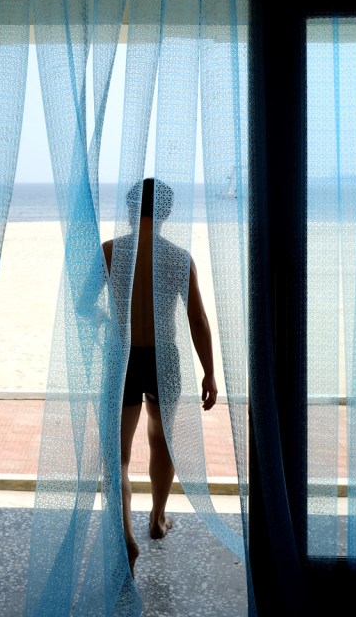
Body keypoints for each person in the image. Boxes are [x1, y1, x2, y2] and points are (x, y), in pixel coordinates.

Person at [101, 177, 218, 579]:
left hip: (124, 356)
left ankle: (127, 536)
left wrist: (107, 320)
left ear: (132, 209)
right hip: (164, 357)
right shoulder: (178, 257)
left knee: (119, 455)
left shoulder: (112, 251)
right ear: (167, 212)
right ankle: (157, 518)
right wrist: (210, 371)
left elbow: (83, 302)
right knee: (160, 439)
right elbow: (197, 318)